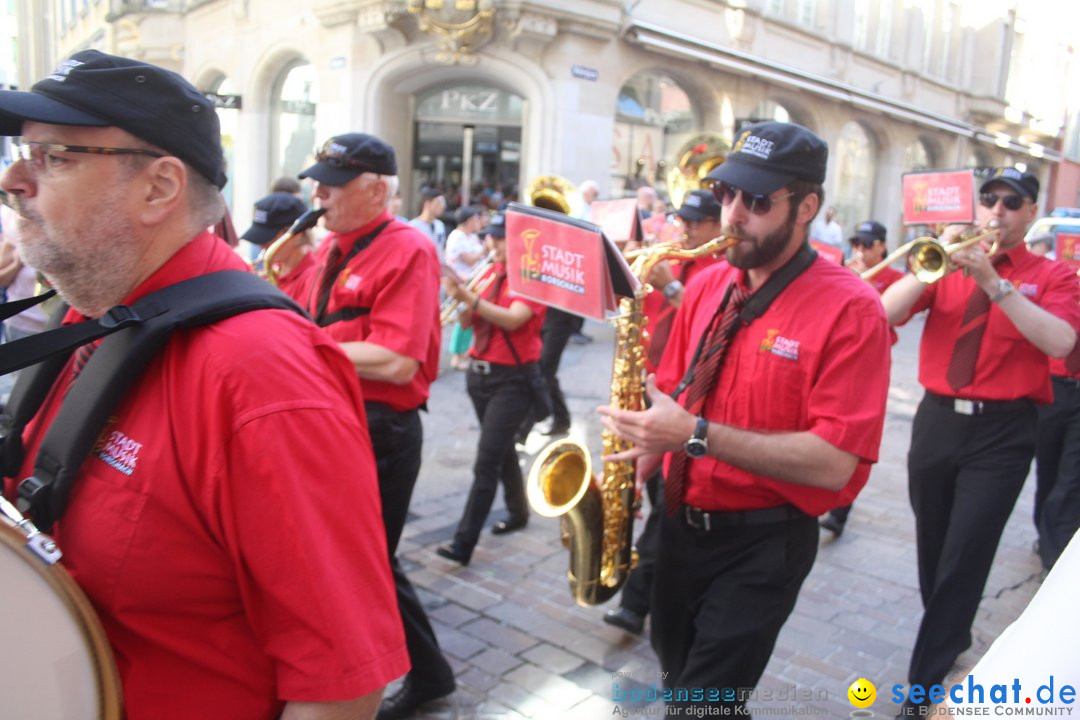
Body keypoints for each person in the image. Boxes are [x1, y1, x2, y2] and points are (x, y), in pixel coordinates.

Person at [0, 50, 408, 719]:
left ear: (159, 188)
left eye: (55, 158)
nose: (15, 177)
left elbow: (340, 689)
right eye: (22, 152)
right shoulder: (88, 304)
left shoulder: (263, 379)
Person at [599, 121, 891, 716]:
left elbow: (835, 463)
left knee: (701, 705)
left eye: (756, 201)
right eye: (728, 192)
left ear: (807, 207)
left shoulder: (853, 308)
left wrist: (696, 436)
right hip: (678, 528)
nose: (733, 213)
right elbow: (676, 398)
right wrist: (628, 472)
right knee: (680, 678)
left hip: (762, 544)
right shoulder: (707, 283)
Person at [880, 167, 1080, 717]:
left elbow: (1062, 341)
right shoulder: (946, 260)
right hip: (937, 420)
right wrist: (933, 256)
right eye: (988, 199)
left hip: (1005, 430)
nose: (997, 210)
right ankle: (949, 632)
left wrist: (997, 285)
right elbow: (883, 314)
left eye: (1012, 202)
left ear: (1032, 211)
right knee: (936, 552)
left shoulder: (1053, 274)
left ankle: (920, 688)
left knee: (965, 558)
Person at [274, 132, 455, 720]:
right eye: (316, 181)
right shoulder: (333, 245)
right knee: (365, 558)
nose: (317, 193)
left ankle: (421, 676)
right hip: (342, 419)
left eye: (331, 183)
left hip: (382, 428)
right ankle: (426, 673)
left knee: (368, 561)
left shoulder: (407, 248)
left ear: (377, 191)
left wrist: (301, 345)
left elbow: (398, 360)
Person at [603, 188, 726, 636]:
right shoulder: (674, 257)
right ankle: (657, 587)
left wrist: (669, 281)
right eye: (684, 220)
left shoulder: (722, 270)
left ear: (719, 225)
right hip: (647, 385)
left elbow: (708, 319)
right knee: (658, 502)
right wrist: (627, 267)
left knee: (664, 508)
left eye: (696, 222)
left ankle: (639, 601)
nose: (686, 228)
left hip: (686, 401)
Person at [435, 213, 546, 565]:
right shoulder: (489, 272)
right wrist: (460, 296)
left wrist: (471, 298)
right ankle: (518, 511)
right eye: (490, 238)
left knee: (486, 461)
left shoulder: (532, 278)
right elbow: (467, 320)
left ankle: (463, 542)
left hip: (512, 380)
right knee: (501, 450)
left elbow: (515, 319)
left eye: (498, 239)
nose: (490, 245)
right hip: (479, 375)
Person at [820, 219, 901, 537]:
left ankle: (841, 512)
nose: (860, 250)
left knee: (854, 432)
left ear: (882, 246)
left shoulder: (894, 276)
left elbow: (891, 316)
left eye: (867, 245)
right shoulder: (844, 266)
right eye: (856, 244)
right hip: (834, 354)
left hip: (870, 361)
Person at [445, 205, 487, 371]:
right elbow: (469, 260)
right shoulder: (457, 236)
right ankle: (457, 355)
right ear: (469, 220)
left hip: (473, 284)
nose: (480, 222)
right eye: (477, 218)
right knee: (463, 319)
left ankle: (463, 352)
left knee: (470, 319)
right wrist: (485, 249)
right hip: (460, 283)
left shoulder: (472, 237)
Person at [239, 190, 309, 267]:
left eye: (268, 237)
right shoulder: (275, 268)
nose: (261, 246)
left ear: (297, 235)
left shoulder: (313, 276)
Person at [408, 187, 447, 257]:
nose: (442, 206)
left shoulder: (440, 225)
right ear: (427, 204)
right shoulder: (413, 226)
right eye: (439, 202)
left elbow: (441, 250)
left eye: (443, 203)